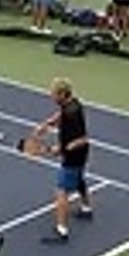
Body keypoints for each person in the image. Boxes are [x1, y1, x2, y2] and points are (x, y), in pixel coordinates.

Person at [31, 78, 93, 244]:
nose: (51, 96)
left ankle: (61, 230)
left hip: (75, 153)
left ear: (62, 94)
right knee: (79, 179)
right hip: (81, 153)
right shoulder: (73, 104)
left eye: (53, 93)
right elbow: (61, 115)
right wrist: (47, 124)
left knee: (62, 191)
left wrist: (58, 150)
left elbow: (81, 139)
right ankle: (86, 208)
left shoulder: (71, 114)